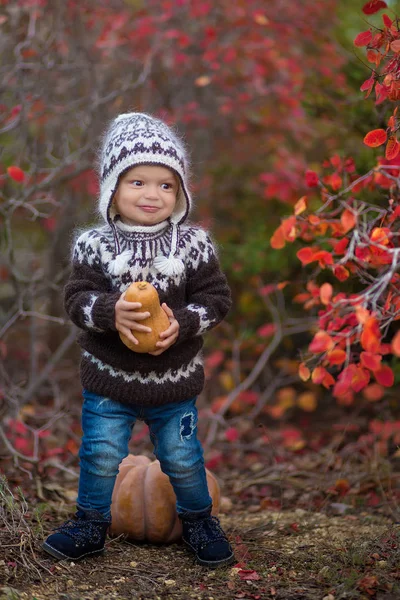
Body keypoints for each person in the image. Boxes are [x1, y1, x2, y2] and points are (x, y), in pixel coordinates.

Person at [41, 112, 235, 568]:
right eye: (138, 182)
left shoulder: (192, 245)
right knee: (102, 454)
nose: (152, 194)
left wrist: (184, 322)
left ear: (181, 192)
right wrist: (109, 311)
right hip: (110, 381)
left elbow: (217, 298)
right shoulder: (94, 244)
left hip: (174, 382)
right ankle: (91, 522)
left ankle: (198, 521)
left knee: (183, 458)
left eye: (166, 185)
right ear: (113, 189)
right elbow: (76, 299)